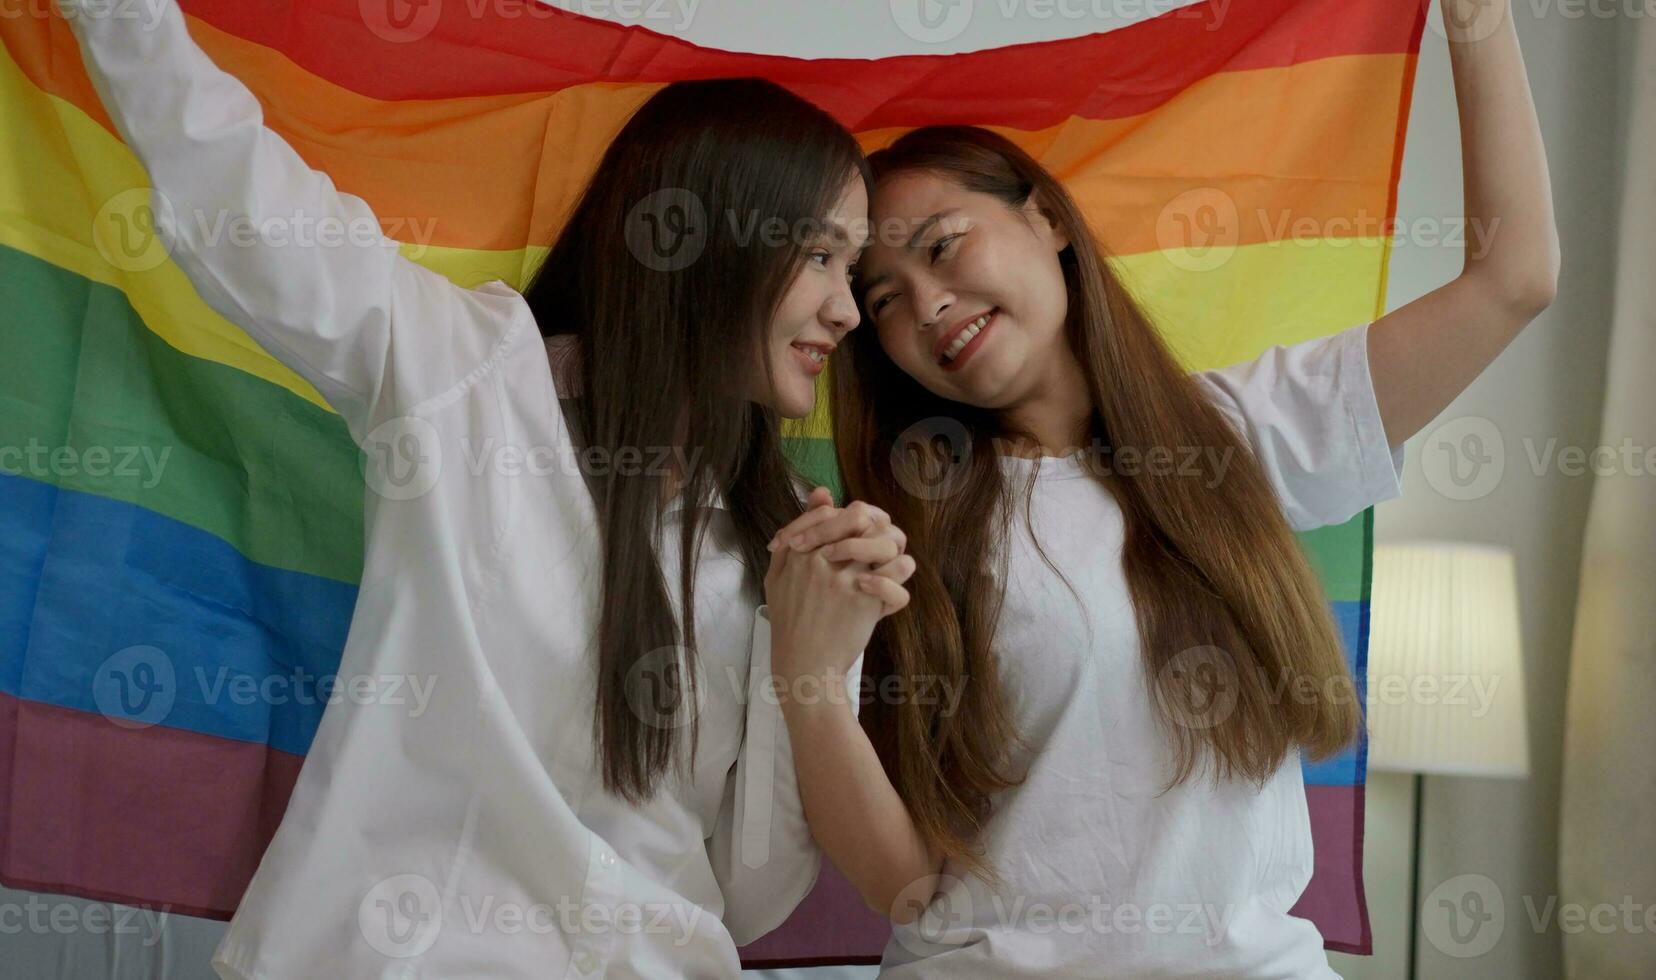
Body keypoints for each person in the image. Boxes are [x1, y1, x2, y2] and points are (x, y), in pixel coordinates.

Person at [56, 0, 916, 975]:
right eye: (819, 256)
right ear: (707, 236)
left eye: (852, 270)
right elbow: (244, 207)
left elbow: (749, 894)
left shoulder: (780, 537)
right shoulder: (468, 378)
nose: (846, 309)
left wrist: (815, 661)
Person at [774, 0, 1560, 974]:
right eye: (882, 297)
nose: (925, 305)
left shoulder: (1236, 433)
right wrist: (808, 678)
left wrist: (1475, 20)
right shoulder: (891, 532)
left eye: (941, 246)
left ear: (1047, 216)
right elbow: (905, 884)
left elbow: (1513, 278)